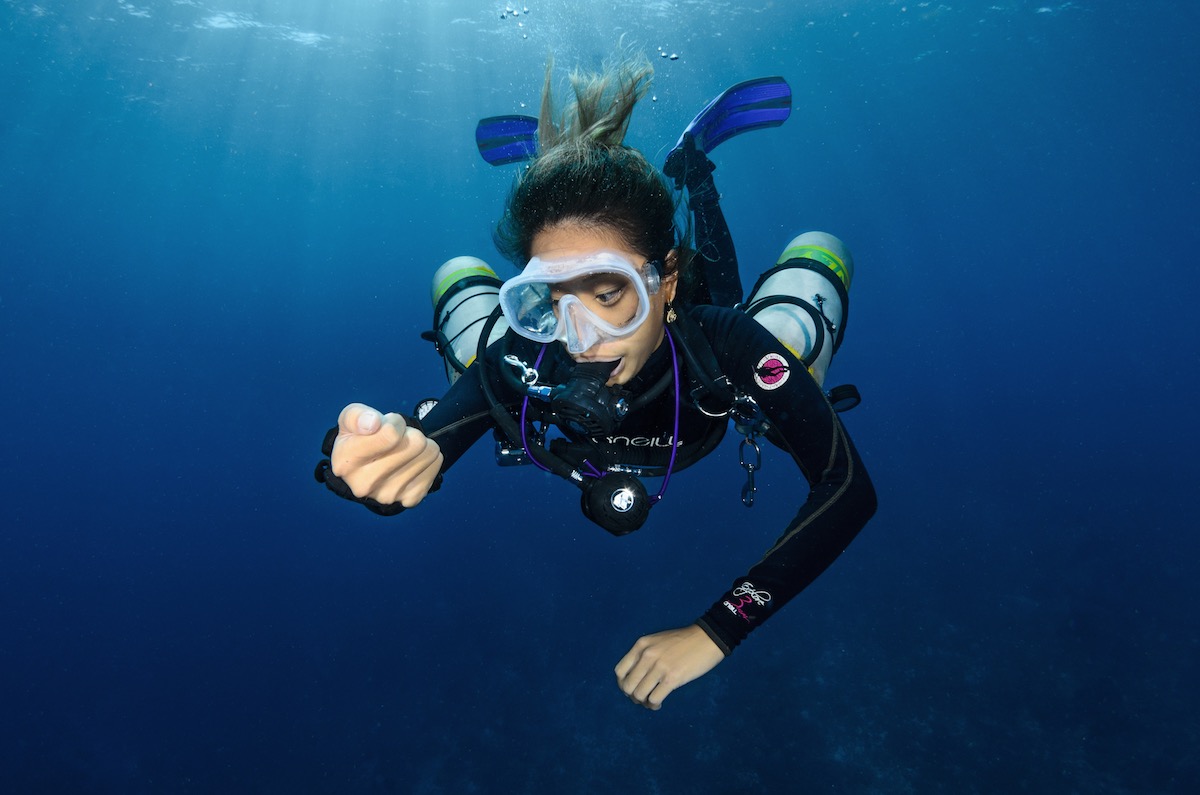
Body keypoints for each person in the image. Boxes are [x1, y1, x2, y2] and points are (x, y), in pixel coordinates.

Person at [315, 55, 877, 711]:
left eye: (609, 293)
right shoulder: (523, 354)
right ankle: (585, 185)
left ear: (664, 283)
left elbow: (849, 489)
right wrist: (383, 464)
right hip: (567, 358)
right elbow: (411, 461)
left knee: (793, 315)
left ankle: (693, 172)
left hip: (712, 363)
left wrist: (720, 627)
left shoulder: (723, 342)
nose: (580, 336)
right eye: (548, 299)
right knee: (473, 325)